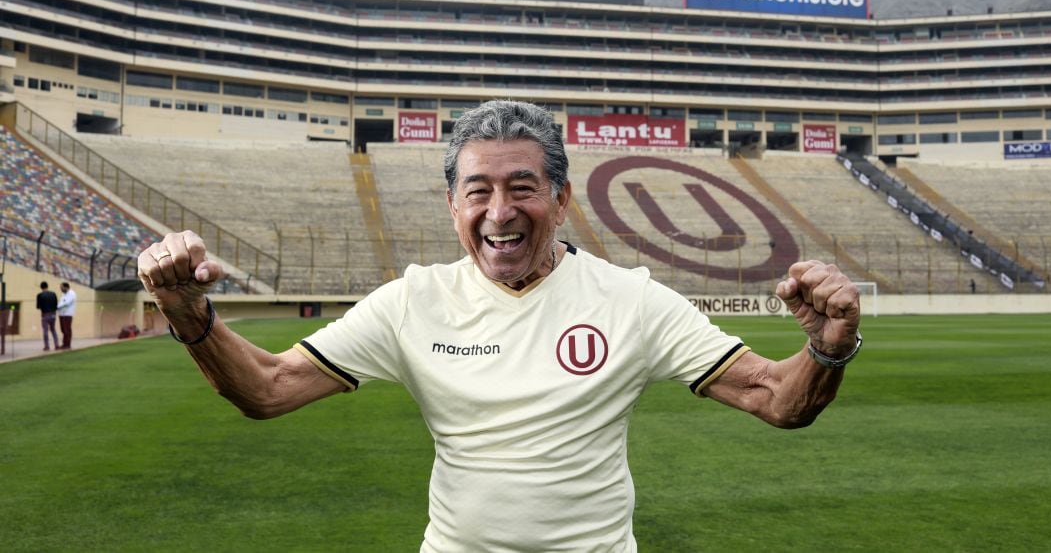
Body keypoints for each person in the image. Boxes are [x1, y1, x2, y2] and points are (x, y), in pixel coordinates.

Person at [139, 100, 862, 552]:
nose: (500, 210)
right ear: (452, 206)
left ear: (562, 198)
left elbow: (776, 399)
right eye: (478, 190)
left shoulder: (631, 299)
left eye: (522, 187)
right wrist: (185, 310)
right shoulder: (411, 300)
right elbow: (266, 387)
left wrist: (826, 350)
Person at [36, 281, 59, 351]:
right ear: (47, 286)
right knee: (53, 329)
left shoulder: (40, 295)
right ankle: (56, 344)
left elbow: (38, 307)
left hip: (45, 315)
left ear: (41, 287)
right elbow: (56, 304)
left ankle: (47, 346)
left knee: (45, 331)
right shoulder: (53, 294)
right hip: (53, 314)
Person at [57, 282, 76, 350]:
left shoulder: (71, 293)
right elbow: (61, 302)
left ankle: (67, 344)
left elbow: (67, 303)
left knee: (67, 329)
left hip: (67, 314)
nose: (61, 289)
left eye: (62, 287)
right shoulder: (63, 294)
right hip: (62, 314)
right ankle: (64, 344)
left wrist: (57, 307)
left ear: (66, 287)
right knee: (63, 329)